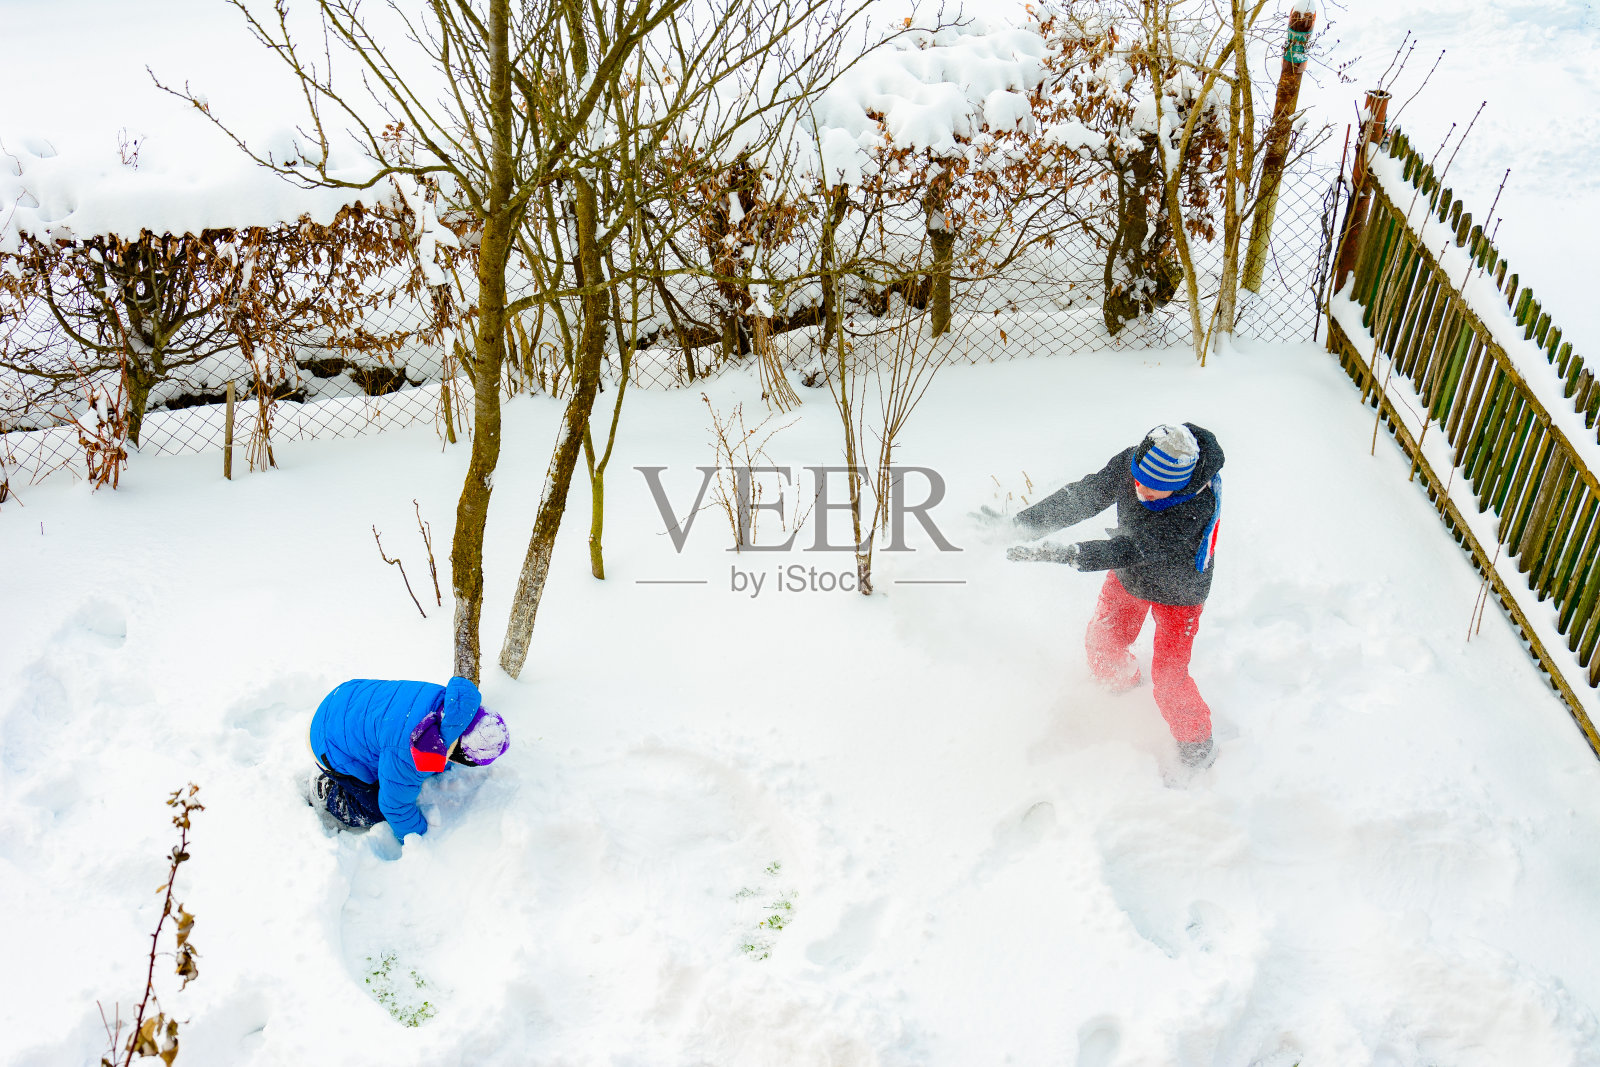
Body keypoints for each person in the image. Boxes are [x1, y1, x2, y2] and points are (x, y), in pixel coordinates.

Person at [1005, 423, 1224, 769]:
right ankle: (1121, 690)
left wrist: (1068, 553)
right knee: (1102, 641)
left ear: (1180, 487)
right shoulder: (1137, 463)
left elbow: (1129, 549)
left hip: (1180, 592)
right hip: (1130, 577)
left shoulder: (1193, 510)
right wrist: (1022, 525)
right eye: (1139, 480)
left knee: (1169, 678)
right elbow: (1085, 496)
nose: (1141, 490)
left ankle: (1196, 743)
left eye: (1155, 490)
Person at [307, 675, 510, 840]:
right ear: (457, 755)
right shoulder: (412, 751)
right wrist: (417, 836)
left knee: (389, 762)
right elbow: (395, 807)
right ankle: (327, 790)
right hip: (326, 741)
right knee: (375, 808)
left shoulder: (450, 704)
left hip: (345, 699)